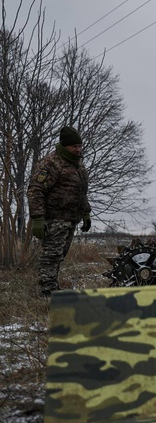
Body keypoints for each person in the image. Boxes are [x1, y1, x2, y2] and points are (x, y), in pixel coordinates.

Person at [27, 126, 92, 297]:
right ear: (65, 146)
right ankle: (47, 291)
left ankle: (51, 286)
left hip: (71, 218)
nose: (78, 149)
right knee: (51, 254)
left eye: (80, 146)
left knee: (60, 254)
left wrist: (86, 213)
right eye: (74, 147)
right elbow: (35, 190)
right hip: (54, 217)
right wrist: (38, 218)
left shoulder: (78, 165)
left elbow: (81, 191)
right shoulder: (51, 163)